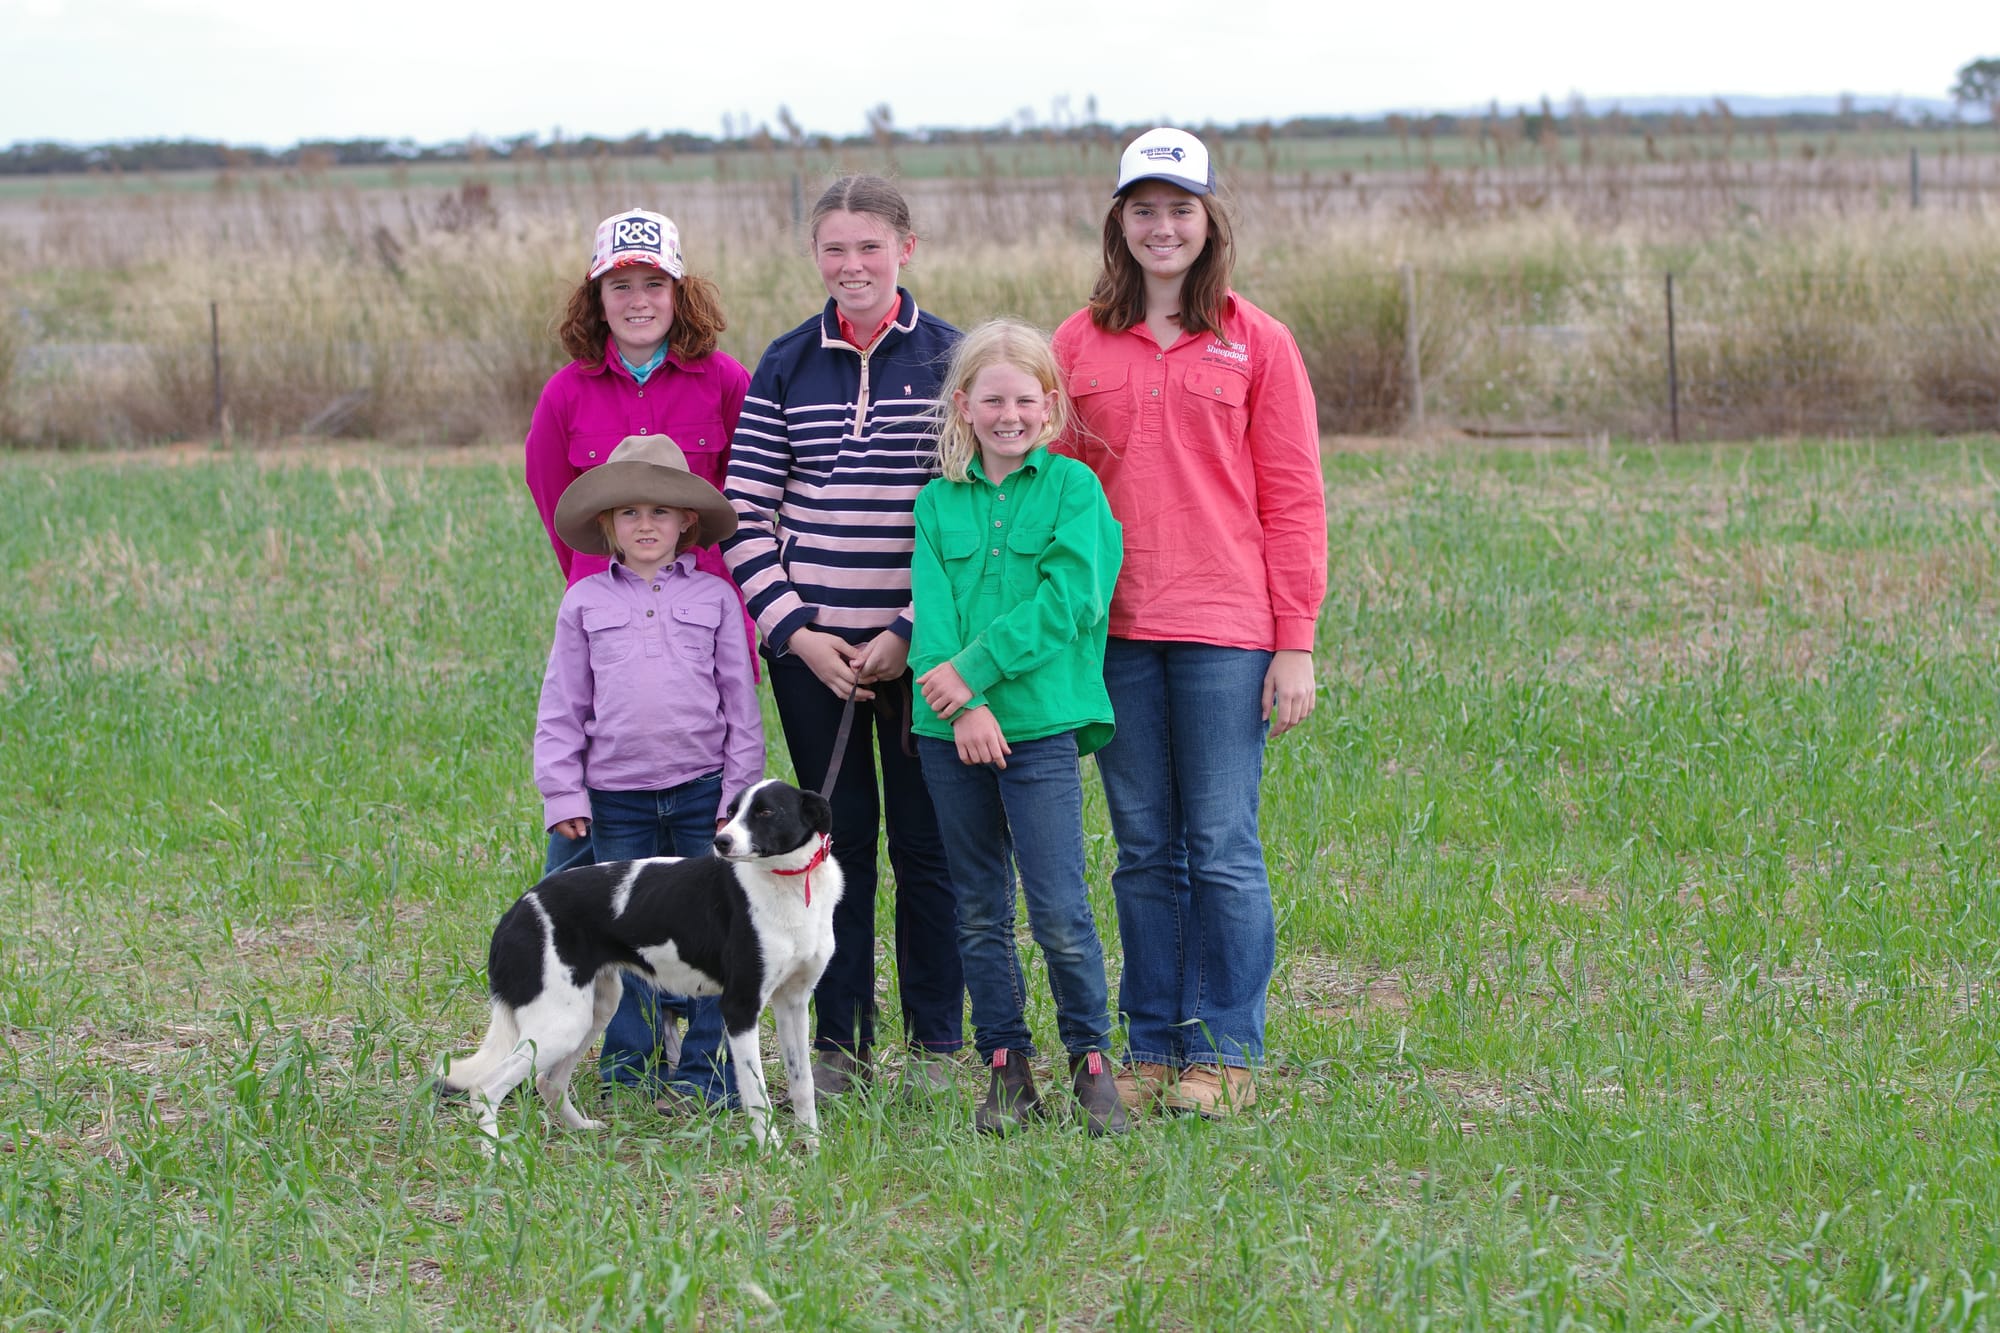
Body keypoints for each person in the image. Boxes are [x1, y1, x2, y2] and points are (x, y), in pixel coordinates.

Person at [1051, 128, 1328, 1118]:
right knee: (1141, 845)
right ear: (1117, 223)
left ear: (1207, 221)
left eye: (1178, 208)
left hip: (1225, 626)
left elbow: (1292, 500)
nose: (1160, 226)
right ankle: (1154, 1046)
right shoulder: (1075, 343)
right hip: (1114, 633)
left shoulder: (1257, 340)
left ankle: (1226, 1052)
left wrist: (1291, 640)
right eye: (1142, 208)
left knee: (1218, 841)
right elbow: (1049, 497)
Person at [722, 175, 966, 1094]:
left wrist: (911, 628)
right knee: (834, 847)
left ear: (908, 247)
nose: (852, 265)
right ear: (815, 256)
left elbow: (967, 513)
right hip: (812, 656)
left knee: (928, 845)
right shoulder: (785, 363)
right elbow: (746, 510)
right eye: (834, 249)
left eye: (870, 246)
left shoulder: (952, 358)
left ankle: (939, 1045)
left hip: (923, 653)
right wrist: (796, 631)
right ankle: (842, 1043)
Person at [522, 208, 753, 1103]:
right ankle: (606, 1047)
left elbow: (749, 492)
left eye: (654, 283)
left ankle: (702, 1063)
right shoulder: (566, 394)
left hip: (702, 649)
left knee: (702, 890)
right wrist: (607, 592)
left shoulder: (725, 381)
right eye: (620, 284)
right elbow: (557, 506)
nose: (638, 299)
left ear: (680, 290)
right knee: (592, 886)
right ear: (597, 295)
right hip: (612, 677)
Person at [909, 320, 1129, 1137]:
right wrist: (960, 703)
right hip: (948, 734)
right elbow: (930, 619)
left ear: (1051, 406)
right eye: (991, 399)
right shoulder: (937, 503)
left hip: (1039, 727)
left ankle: (1091, 1059)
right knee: (977, 906)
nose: (1008, 414)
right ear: (963, 405)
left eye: (1024, 399)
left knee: (1060, 906)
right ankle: (1005, 1063)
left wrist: (979, 674)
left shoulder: (1075, 493)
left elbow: (1073, 601)